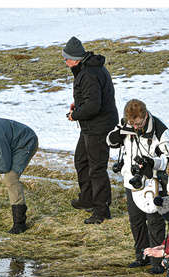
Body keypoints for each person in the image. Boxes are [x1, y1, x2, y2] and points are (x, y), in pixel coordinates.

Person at [107, 99, 169, 274]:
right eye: (132, 124)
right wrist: (118, 134)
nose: (135, 127)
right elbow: (110, 141)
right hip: (131, 180)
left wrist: (152, 163)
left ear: (145, 115)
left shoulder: (160, 130)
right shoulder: (126, 124)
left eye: (138, 124)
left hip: (153, 181)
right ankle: (141, 256)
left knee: (155, 222)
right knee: (136, 220)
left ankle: (157, 261)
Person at [63, 36, 118, 224]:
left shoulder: (88, 73)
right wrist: (77, 103)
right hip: (90, 126)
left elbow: (93, 105)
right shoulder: (88, 69)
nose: (66, 63)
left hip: (98, 127)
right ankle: (87, 198)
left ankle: (101, 210)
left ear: (76, 59)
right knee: (81, 160)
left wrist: (75, 114)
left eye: (67, 60)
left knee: (97, 168)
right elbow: (92, 96)